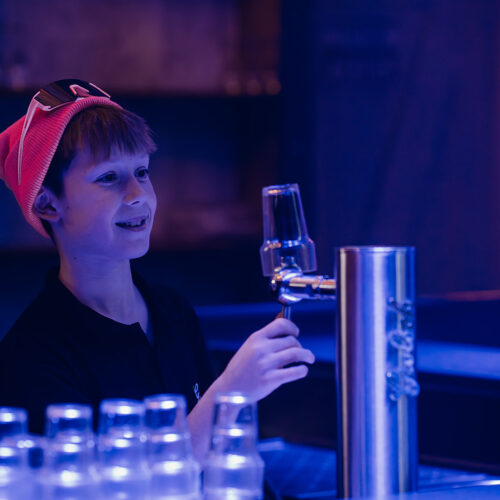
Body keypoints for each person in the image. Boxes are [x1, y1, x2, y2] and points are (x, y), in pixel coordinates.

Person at [0, 80, 315, 465]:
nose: (138, 195)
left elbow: (220, 457)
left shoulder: (173, 311)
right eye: (108, 177)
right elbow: (115, 489)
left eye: (142, 172)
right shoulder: (31, 357)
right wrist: (231, 394)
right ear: (48, 205)